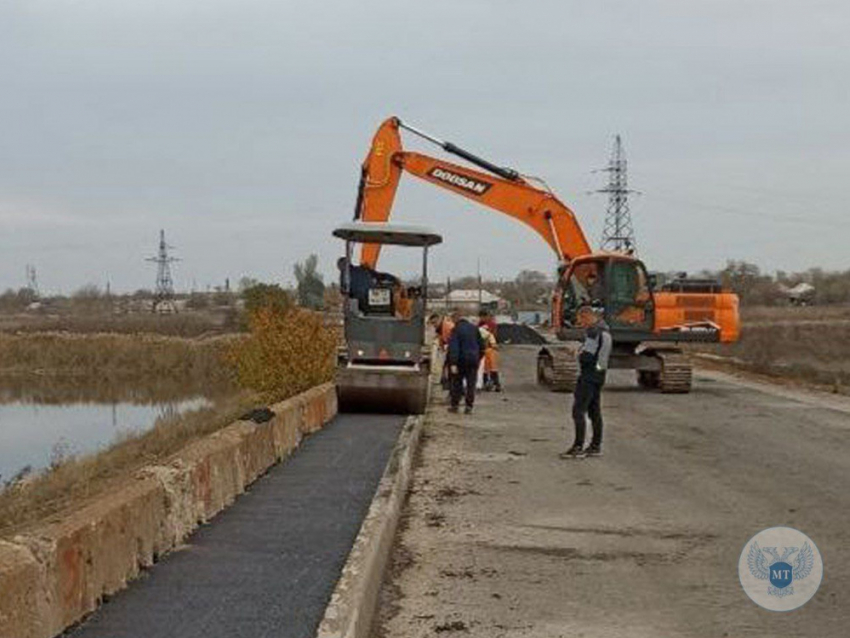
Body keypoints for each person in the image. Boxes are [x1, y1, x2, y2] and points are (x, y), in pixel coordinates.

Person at [561, 309, 612, 458]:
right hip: (599, 376)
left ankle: (578, 447)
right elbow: (602, 359)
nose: (581, 323)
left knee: (578, 411)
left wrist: (577, 354)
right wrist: (598, 372)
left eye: (581, 320)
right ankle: (595, 446)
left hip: (588, 376)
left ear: (587, 316)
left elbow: (588, 356)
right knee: (595, 411)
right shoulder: (606, 332)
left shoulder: (593, 333)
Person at [447, 311, 481, 414]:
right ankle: (469, 407)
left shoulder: (456, 330)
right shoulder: (474, 328)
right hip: (473, 361)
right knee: (471, 384)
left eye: (452, 320)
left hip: (460, 361)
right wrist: (478, 358)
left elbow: (454, 347)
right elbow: (482, 345)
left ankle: (455, 406)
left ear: (455, 319)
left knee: (457, 383)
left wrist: (453, 363)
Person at [429, 313, 455, 390]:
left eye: (434, 322)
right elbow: (442, 341)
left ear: (439, 319)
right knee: (446, 367)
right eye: (432, 323)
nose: (434, 325)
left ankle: (452, 387)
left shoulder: (448, 326)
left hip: (455, 351)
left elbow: (452, 340)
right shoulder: (440, 328)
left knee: (450, 369)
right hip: (451, 350)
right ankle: (448, 385)